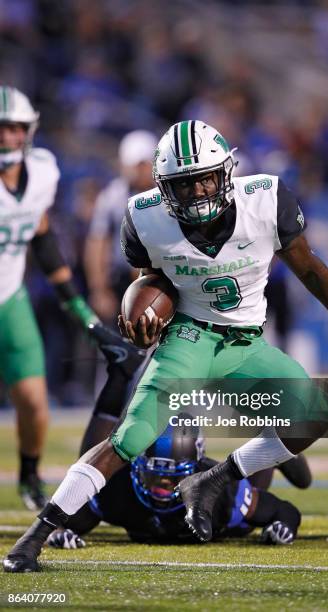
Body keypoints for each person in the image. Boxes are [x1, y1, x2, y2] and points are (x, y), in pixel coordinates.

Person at [3, 119, 328, 572]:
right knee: (130, 438)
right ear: (165, 187)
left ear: (226, 172)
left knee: (323, 412)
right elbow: (150, 281)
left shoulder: (265, 199)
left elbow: (309, 268)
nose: (196, 192)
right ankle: (32, 539)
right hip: (191, 335)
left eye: (205, 179)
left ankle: (213, 480)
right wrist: (145, 318)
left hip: (247, 341)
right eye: (184, 185)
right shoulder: (144, 216)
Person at [0, 86, 143, 512]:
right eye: (1, 129)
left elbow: (40, 236)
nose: (7, 137)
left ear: (30, 131)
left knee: (34, 404)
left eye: (15, 128)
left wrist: (81, 310)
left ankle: (29, 477)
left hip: (10, 298)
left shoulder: (42, 172)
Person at [46, 417, 302, 548]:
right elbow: (68, 520)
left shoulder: (224, 493)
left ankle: (274, 448)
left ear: (194, 471)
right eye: (154, 474)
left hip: (230, 524)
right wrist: (59, 534)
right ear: (136, 467)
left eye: (172, 478)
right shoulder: (117, 490)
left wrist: (282, 527)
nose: (162, 485)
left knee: (251, 487)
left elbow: (284, 510)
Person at [84, 130, 157, 324]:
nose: (140, 170)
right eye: (136, 164)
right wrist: (99, 289)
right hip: (121, 279)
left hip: (162, 278)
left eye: (145, 164)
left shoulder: (168, 196)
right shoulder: (112, 197)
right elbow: (98, 243)